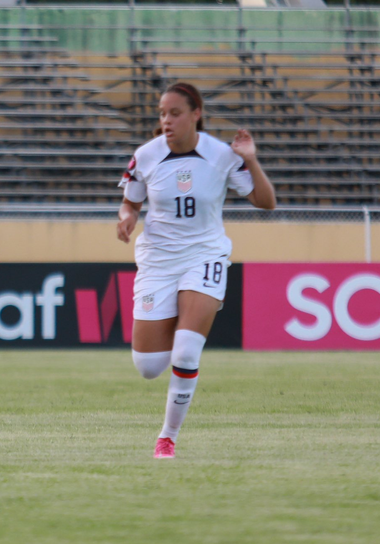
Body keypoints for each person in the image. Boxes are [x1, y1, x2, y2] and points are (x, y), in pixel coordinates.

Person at [116, 83, 276, 459]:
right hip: (158, 262)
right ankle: (180, 315)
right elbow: (130, 204)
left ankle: (167, 439)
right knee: (148, 367)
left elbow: (266, 202)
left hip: (205, 256)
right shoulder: (146, 156)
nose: (166, 120)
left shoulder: (220, 155)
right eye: (162, 114)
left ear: (195, 114)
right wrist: (126, 218)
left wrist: (250, 159)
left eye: (174, 113)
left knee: (186, 353)